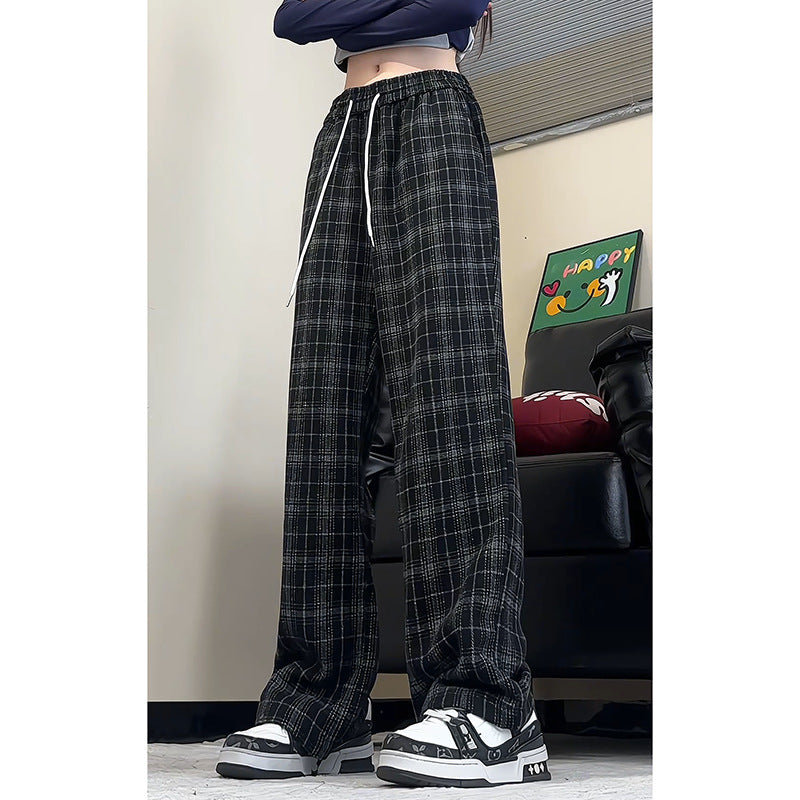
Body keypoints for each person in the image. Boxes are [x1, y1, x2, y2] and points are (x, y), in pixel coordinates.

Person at [215, 0, 550, 788]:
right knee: (325, 415)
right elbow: (295, 17)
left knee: (450, 410)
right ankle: (319, 703)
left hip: (435, 120)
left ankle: (491, 706)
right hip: (344, 134)